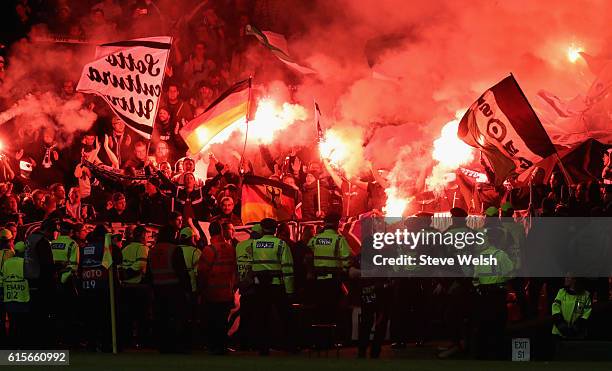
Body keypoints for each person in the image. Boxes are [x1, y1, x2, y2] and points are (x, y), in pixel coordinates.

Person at [250, 218, 294, 355]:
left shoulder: (254, 244)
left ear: (262, 229)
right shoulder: (281, 244)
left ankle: (263, 348)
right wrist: (290, 290)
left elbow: (251, 266)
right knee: (285, 316)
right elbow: (287, 268)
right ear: (275, 230)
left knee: (262, 317)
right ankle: (289, 346)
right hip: (276, 285)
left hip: (260, 286)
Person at [471, 226, 514, 359]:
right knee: (498, 326)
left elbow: (475, 278)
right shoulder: (501, 255)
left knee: (483, 326)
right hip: (497, 295)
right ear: (500, 240)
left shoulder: (481, 256)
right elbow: (511, 274)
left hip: (483, 295)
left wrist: (480, 288)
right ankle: (499, 355)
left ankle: (481, 355)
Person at [148, 225, 191, 353]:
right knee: (177, 319)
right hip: (174, 288)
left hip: (157, 289)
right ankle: (177, 346)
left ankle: (163, 346)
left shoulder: (152, 250)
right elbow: (182, 272)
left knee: (161, 319)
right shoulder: (174, 249)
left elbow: (149, 273)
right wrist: (187, 289)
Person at [198, 221, 236, 355]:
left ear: (209, 232)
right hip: (227, 292)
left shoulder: (210, 250)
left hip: (212, 292)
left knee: (212, 322)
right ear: (221, 231)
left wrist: (201, 290)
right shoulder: (230, 249)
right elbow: (234, 271)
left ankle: (214, 347)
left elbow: (202, 272)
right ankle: (222, 346)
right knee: (223, 322)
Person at [308, 212, 351, 325]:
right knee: (334, 309)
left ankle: (321, 338)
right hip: (334, 281)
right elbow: (347, 259)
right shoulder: (339, 239)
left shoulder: (315, 239)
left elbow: (309, 250)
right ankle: (334, 337)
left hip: (318, 281)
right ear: (336, 224)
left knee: (321, 310)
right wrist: (345, 271)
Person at [77, 225, 114, 352]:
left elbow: (80, 266)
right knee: (104, 317)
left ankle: (91, 344)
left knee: (90, 317)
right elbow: (116, 260)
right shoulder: (106, 248)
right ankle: (105, 344)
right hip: (102, 287)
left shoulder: (84, 248)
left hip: (87, 286)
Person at [24, 218, 59, 348]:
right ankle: (45, 342)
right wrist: (59, 267)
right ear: (49, 230)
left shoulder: (31, 239)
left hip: (31, 279)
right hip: (42, 281)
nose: (54, 234)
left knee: (35, 313)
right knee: (44, 313)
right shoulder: (42, 242)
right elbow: (47, 265)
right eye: (54, 231)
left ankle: (34, 342)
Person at [119, 225, 150, 349]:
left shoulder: (126, 248)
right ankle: (142, 342)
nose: (147, 237)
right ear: (142, 235)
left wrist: (124, 275)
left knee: (127, 316)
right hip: (138, 286)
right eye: (146, 235)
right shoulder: (143, 248)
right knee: (142, 316)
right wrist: (130, 273)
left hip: (126, 286)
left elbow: (120, 265)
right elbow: (141, 265)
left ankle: (127, 341)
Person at [235, 223, 262, 350]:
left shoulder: (239, 245)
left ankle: (243, 343)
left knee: (245, 315)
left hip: (241, 284)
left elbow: (234, 265)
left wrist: (239, 282)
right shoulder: (259, 246)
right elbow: (257, 267)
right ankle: (254, 343)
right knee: (256, 316)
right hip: (254, 284)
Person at [2, 233, 29, 347]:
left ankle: (11, 345)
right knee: (22, 324)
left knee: (12, 323)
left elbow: (3, 276)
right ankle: (21, 345)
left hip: (9, 296)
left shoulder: (7, 262)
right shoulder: (26, 263)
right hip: (23, 297)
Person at [552, 275, 592, 340]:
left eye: (568, 277)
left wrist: (577, 327)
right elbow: (555, 308)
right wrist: (561, 325)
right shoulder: (561, 292)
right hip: (559, 333)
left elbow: (586, 313)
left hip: (577, 335)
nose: (565, 279)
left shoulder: (585, 295)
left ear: (575, 279)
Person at [0, 228, 16, 345]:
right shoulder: (12, 254)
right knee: (11, 315)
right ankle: (10, 340)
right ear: (10, 240)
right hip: (9, 287)